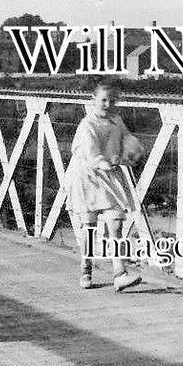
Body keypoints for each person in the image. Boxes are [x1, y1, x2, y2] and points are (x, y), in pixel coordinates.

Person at [65, 81, 145, 291]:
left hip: (109, 174)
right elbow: (91, 155)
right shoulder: (87, 125)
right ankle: (86, 269)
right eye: (103, 100)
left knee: (116, 223)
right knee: (89, 226)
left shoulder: (116, 120)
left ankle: (120, 273)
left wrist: (132, 153)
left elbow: (126, 139)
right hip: (87, 176)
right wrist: (105, 163)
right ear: (94, 99)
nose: (108, 104)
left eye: (112, 100)